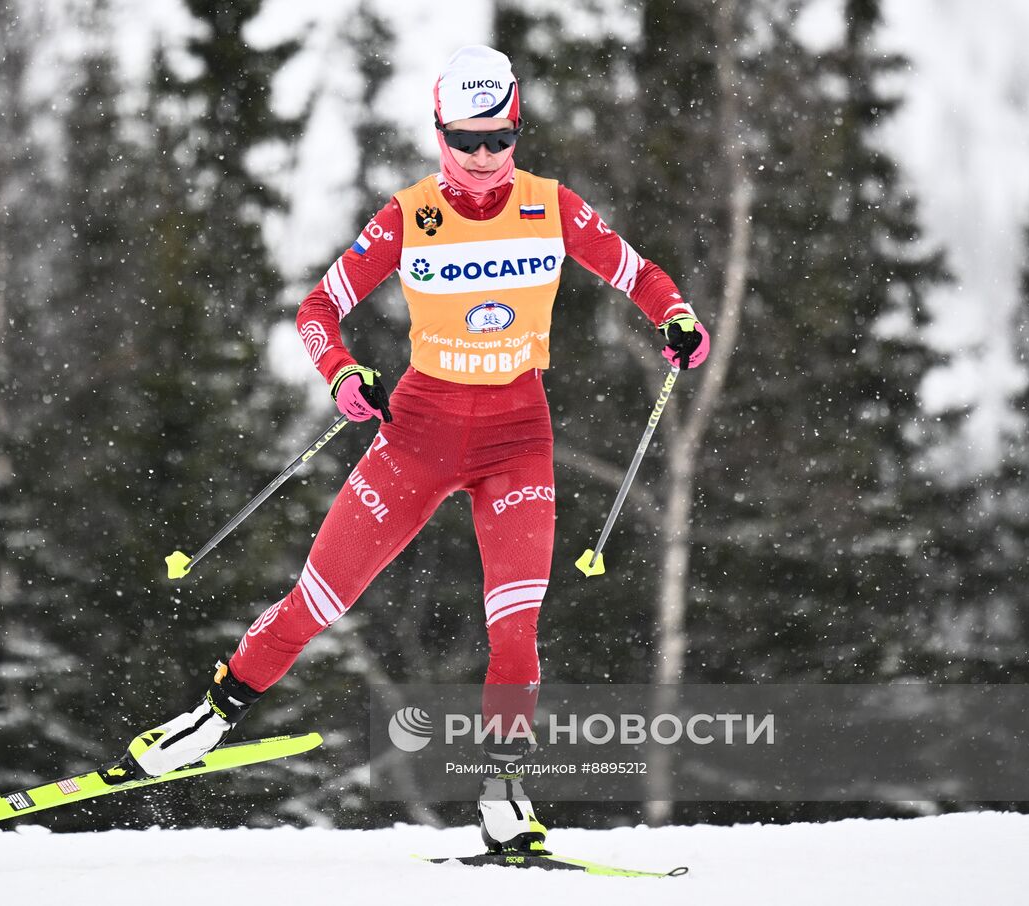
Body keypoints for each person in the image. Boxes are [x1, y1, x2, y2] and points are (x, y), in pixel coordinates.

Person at [107, 45, 709, 853]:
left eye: (500, 138)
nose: (485, 157)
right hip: (418, 434)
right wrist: (341, 372)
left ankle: (502, 792)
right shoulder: (409, 216)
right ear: (439, 133)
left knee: (516, 627)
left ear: (517, 129)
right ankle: (208, 718)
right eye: (467, 140)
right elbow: (318, 309)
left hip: (516, 438)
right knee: (319, 599)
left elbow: (642, 276)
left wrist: (678, 319)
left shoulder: (553, 206)